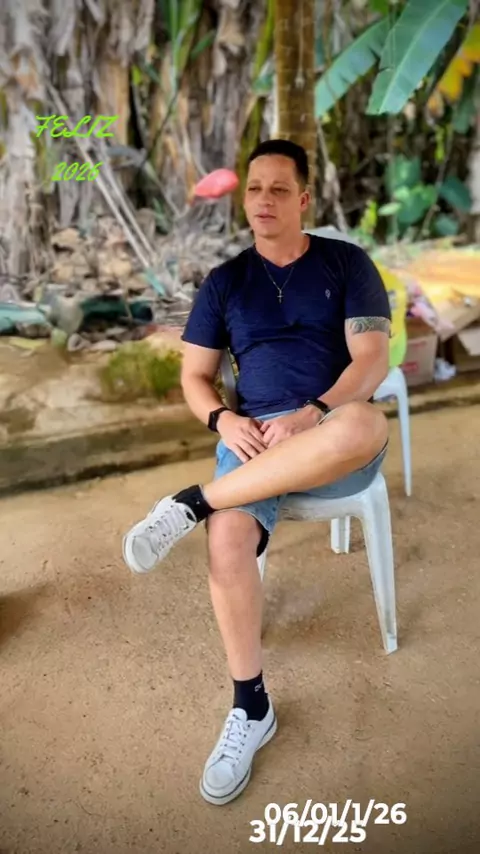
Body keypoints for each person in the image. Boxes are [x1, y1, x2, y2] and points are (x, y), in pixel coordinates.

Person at [122, 139, 391, 806]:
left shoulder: (347, 264)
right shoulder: (226, 281)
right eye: (254, 188)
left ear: (305, 199)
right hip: (251, 444)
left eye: (278, 189)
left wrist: (313, 412)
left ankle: (192, 502)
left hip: (328, 426)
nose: (263, 200)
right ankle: (251, 707)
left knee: (364, 423)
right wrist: (223, 421)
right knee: (228, 542)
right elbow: (195, 376)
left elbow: (371, 361)